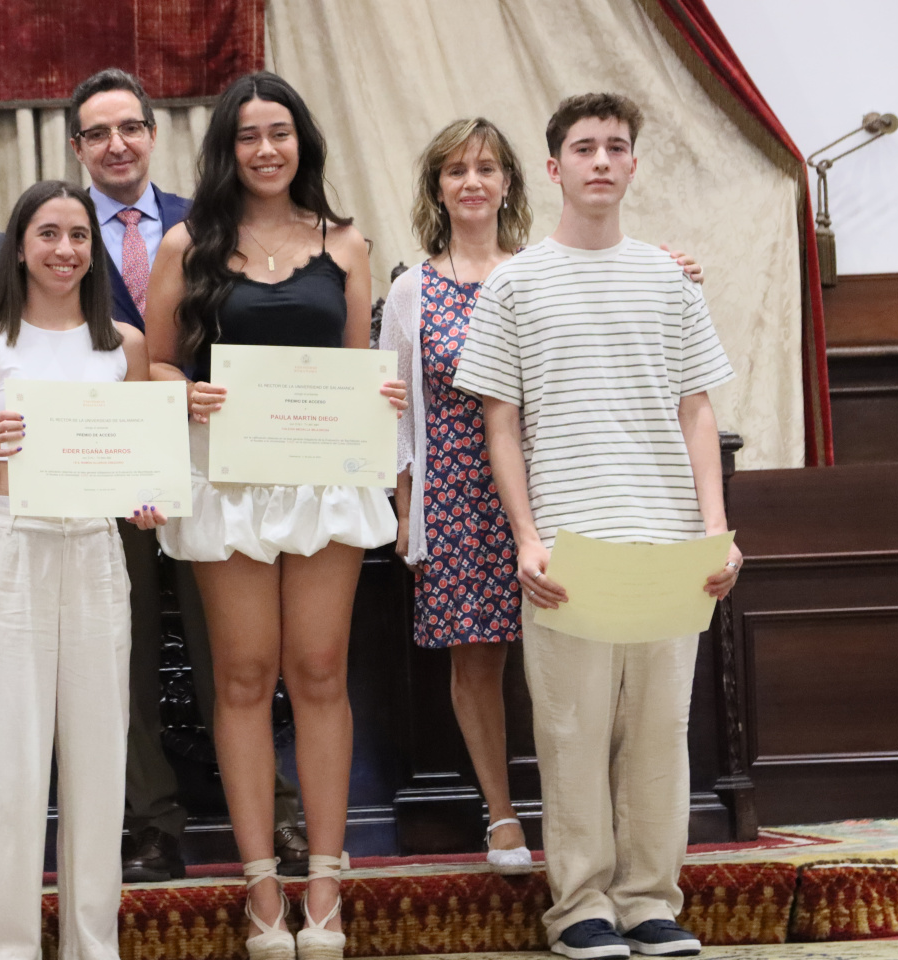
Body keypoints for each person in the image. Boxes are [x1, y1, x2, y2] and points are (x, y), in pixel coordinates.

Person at [453, 93, 742, 960]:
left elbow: (698, 412)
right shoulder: (515, 283)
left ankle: (652, 899)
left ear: (633, 165)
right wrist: (526, 539)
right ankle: (579, 905)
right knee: (571, 734)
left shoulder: (668, 277)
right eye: (585, 148)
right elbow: (500, 423)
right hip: (568, 546)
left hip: (667, 545)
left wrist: (716, 529)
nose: (603, 161)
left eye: (618, 147)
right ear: (554, 169)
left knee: (660, 737)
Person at [381, 118, 705, 877]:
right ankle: (501, 814)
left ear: (512, 184)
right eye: (456, 170)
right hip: (459, 492)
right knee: (479, 663)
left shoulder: (541, 271)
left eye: (487, 168)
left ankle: (595, 833)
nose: (472, 182)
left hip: (554, 484)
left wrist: (670, 262)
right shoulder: (409, 289)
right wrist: (405, 512)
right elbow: (394, 408)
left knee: (577, 668)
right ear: (437, 187)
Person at [143, 71, 407, 960]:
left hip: (324, 476)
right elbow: (157, 364)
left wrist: (384, 390)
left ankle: (326, 882)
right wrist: (189, 391)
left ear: (303, 143)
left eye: (280, 133)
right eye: (249, 135)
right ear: (227, 147)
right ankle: (262, 886)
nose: (266, 149)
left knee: (321, 669)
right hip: (229, 475)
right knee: (245, 676)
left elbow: (360, 361)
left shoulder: (346, 243)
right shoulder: (187, 243)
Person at [67, 66, 307, 883]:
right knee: (124, 649)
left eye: (128, 126)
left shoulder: (208, 220)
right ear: (78, 148)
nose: (116, 144)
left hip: (215, 465)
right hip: (103, 468)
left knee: (236, 654)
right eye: (97, 132)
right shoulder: (54, 231)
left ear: (152, 134)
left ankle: (277, 814)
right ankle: (151, 824)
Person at [0, 179, 162, 960]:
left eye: (78, 236)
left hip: (97, 554)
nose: (65, 250)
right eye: (49, 234)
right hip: (14, 551)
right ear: (20, 245)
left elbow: (142, 465)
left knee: (100, 766)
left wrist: (148, 498)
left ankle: (92, 946)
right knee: (6, 764)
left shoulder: (123, 347)